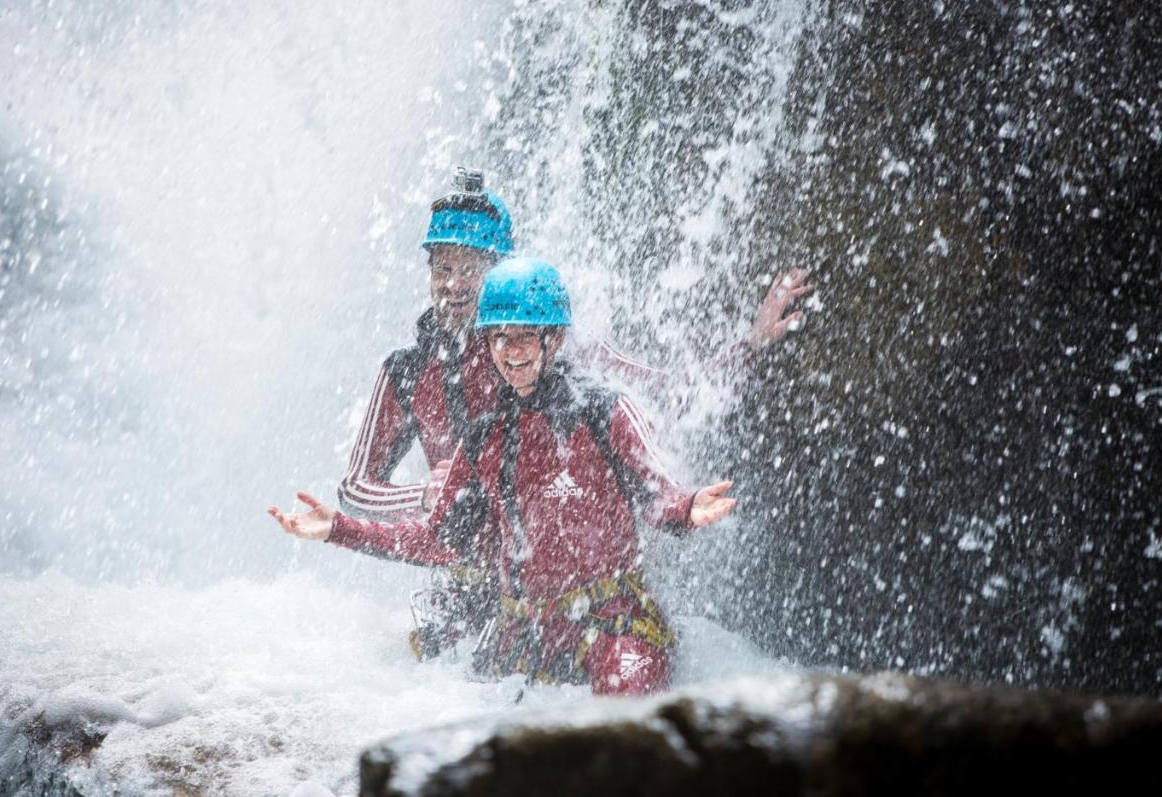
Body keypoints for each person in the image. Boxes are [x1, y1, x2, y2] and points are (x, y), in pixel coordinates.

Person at [336, 167, 811, 657]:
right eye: (442, 267)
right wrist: (424, 496)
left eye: (471, 266)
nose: (453, 284)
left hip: (572, 591)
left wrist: (750, 344)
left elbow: (666, 392)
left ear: (499, 269)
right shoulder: (408, 373)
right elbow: (354, 487)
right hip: (469, 588)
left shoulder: (559, 343)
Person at [269, 259, 736, 694]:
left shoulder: (604, 409)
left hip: (610, 621)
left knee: (628, 697)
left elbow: (658, 493)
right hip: (524, 633)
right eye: (498, 337)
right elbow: (441, 541)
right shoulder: (482, 436)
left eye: (524, 336)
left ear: (553, 338)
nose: (510, 351)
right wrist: (338, 528)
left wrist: (687, 506)